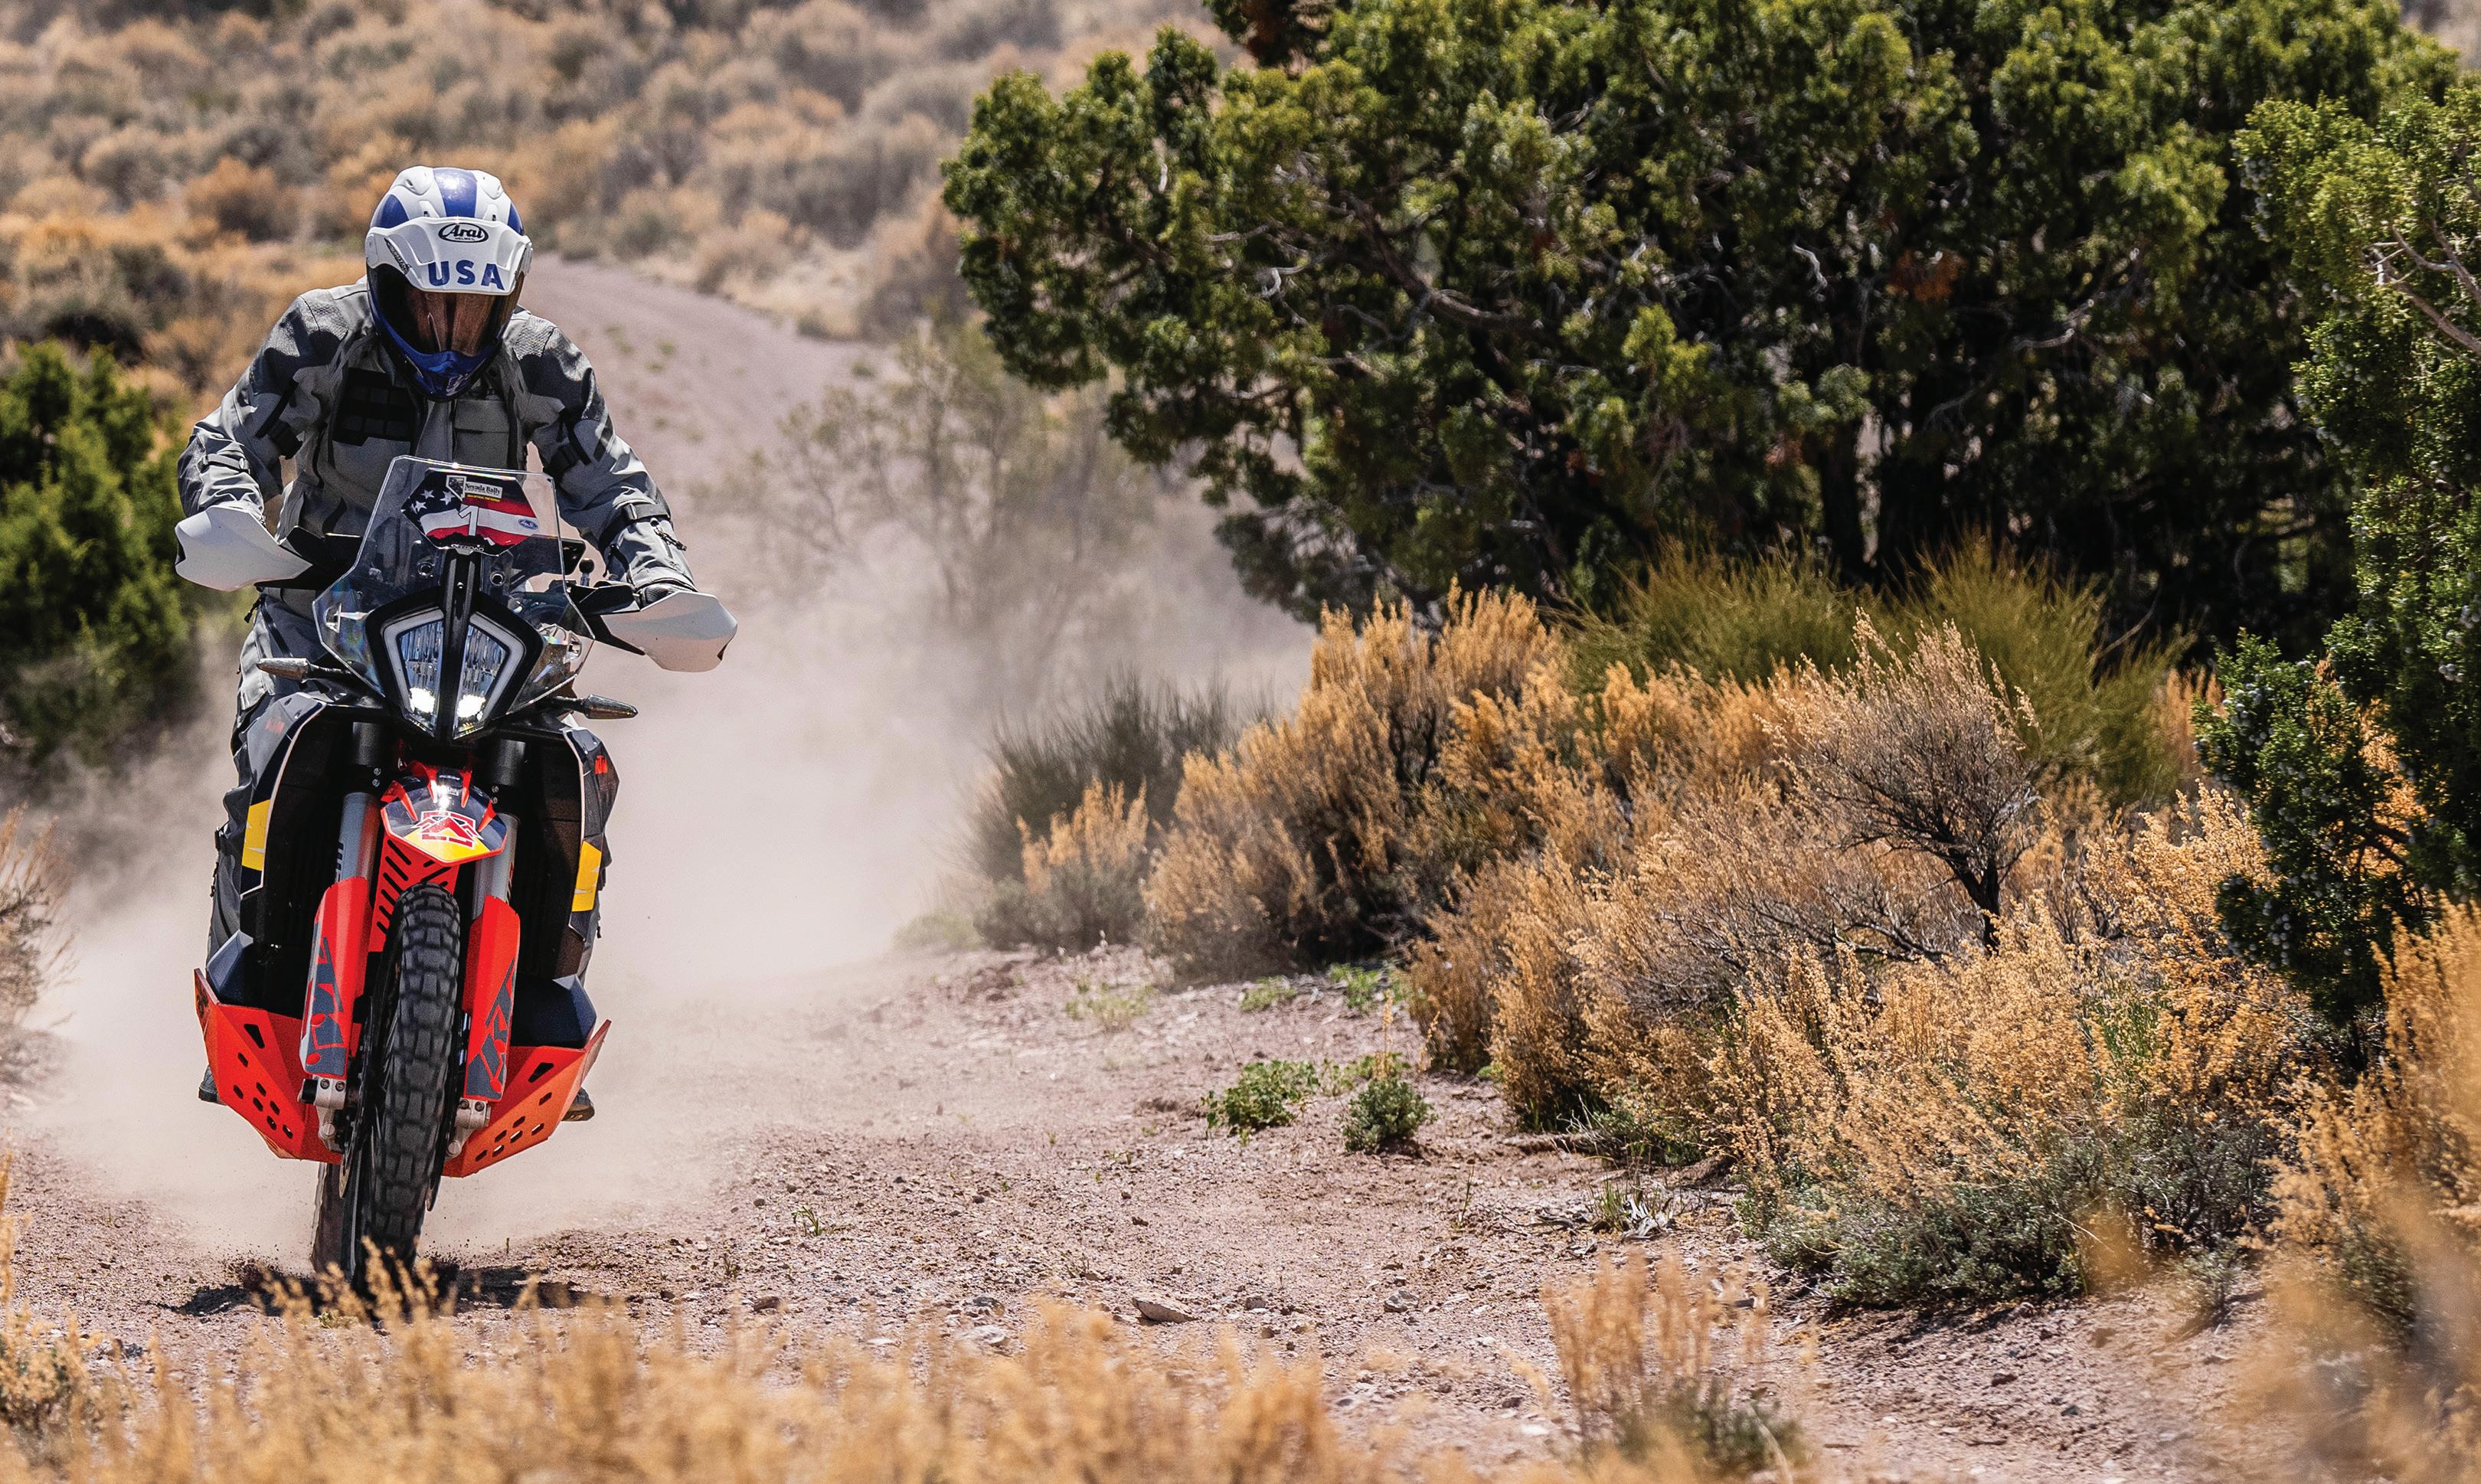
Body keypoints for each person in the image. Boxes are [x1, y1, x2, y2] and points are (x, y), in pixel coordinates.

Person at [178, 165, 695, 1111]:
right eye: (433, 302)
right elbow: (228, 439)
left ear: (510, 294)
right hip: (326, 619)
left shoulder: (540, 361)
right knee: (264, 762)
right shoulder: (323, 336)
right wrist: (228, 513)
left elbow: (613, 485)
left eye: (477, 305)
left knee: (577, 778)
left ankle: (542, 1006)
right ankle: (244, 996)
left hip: (495, 629)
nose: (454, 325)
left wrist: (658, 572)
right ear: (387, 282)